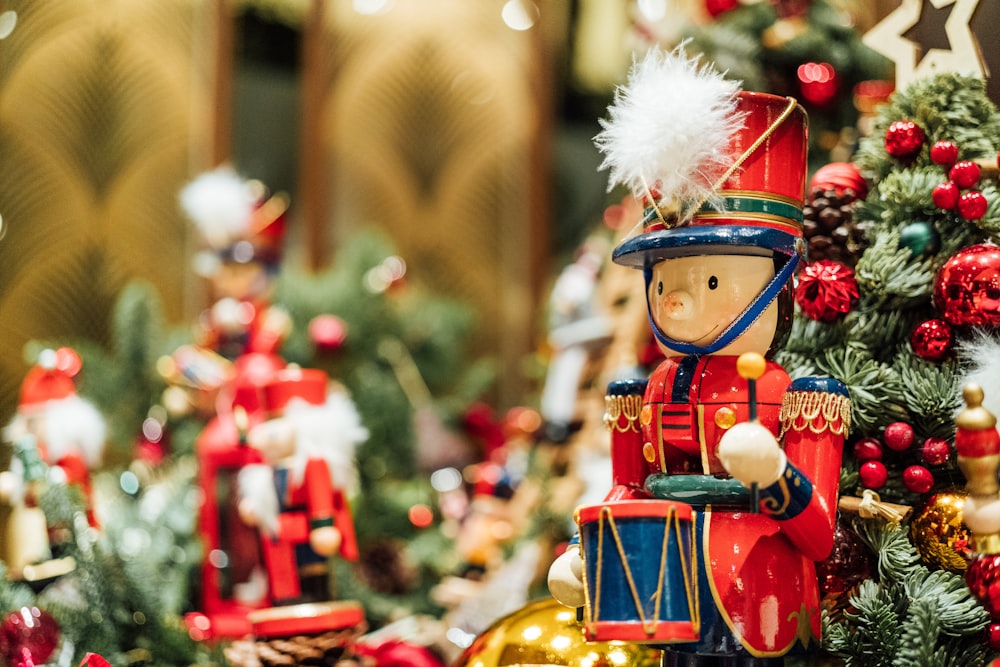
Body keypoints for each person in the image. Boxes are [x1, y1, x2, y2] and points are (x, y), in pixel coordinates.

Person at [547, 47, 851, 665]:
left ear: (778, 284)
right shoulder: (648, 390)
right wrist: (585, 552)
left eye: (711, 282)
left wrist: (771, 475)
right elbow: (629, 487)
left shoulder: (804, 397)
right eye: (664, 282)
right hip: (668, 601)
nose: (676, 301)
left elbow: (818, 534)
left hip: (765, 608)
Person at [238, 367, 367, 605]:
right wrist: (255, 506)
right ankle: (286, 602)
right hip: (279, 536)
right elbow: (266, 495)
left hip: (305, 532)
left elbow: (320, 498)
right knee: (281, 576)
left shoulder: (313, 465)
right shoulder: (266, 471)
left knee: (311, 572)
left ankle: (314, 599)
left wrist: (323, 525)